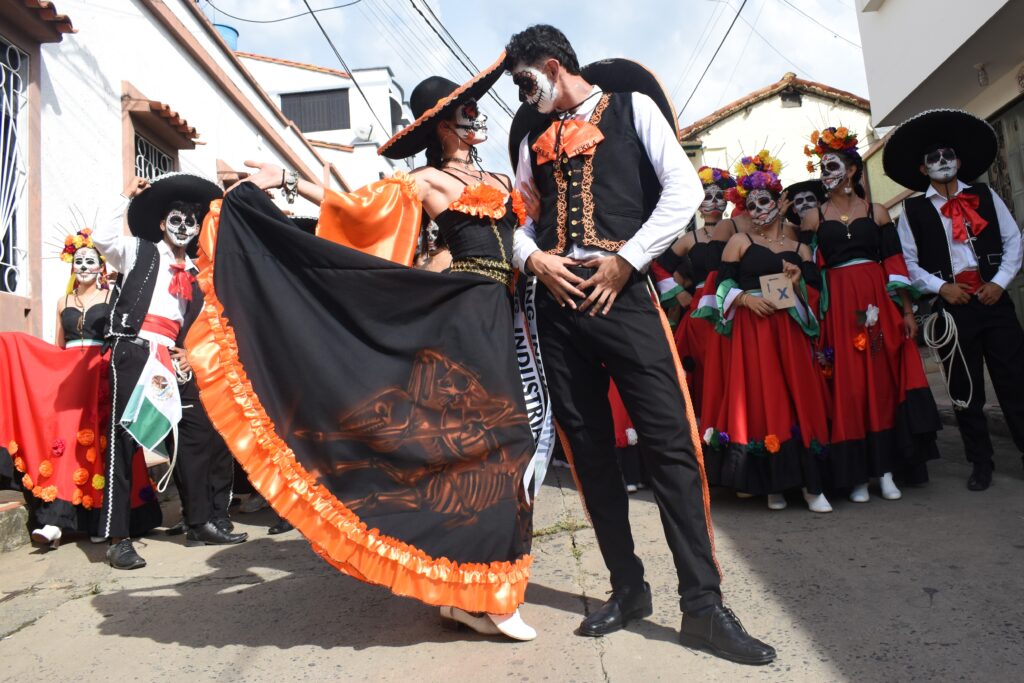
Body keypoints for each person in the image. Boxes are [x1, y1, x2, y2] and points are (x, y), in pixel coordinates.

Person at [187, 60, 539, 641]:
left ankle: (470, 593)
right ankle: (487, 596)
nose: (477, 118)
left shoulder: (504, 181)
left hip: (506, 317)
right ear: (442, 126)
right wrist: (287, 181)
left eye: (476, 109)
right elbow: (354, 211)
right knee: (490, 443)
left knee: (509, 443)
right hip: (463, 317)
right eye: (465, 111)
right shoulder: (424, 183)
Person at [505, 25, 775, 665]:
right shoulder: (528, 133)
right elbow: (516, 216)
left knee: (670, 446)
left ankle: (702, 608)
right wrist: (535, 259)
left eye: (524, 79)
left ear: (551, 65)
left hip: (623, 296)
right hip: (558, 303)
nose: (520, 94)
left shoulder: (631, 107)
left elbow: (682, 193)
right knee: (590, 455)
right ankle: (628, 589)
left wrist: (626, 262)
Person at [886, 109, 1024, 491]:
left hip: (994, 301)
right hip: (953, 309)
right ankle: (980, 462)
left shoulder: (984, 194)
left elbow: (1014, 240)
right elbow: (908, 263)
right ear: (923, 168)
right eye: (934, 158)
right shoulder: (912, 210)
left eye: (948, 156)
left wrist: (999, 282)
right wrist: (940, 287)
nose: (943, 162)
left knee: (1015, 380)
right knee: (965, 389)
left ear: (959, 161)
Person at [800, 127, 940, 500]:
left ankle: (886, 469)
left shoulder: (876, 211)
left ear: (851, 171)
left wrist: (907, 311)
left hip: (874, 305)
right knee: (847, 386)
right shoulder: (813, 217)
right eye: (822, 166)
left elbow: (894, 264)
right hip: (839, 308)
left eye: (833, 165)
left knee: (878, 379)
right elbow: (807, 270)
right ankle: (857, 475)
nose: (826, 172)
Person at [92, 173, 224, 568]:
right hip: (135, 350)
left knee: (197, 430)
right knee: (125, 442)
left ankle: (198, 521)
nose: (184, 227)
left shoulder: (199, 274)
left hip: (174, 357)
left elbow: (203, 321)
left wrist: (190, 350)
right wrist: (123, 196)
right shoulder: (140, 251)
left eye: (191, 221)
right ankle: (118, 538)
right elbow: (101, 239)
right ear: (163, 223)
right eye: (176, 219)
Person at [0, 229, 161, 548]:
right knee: (65, 444)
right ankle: (54, 521)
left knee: (105, 445)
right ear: (71, 265)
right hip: (70, 376)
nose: (84, 266)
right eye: (78, 261)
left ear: (101, 266)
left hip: (101, 372)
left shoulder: (111, 295)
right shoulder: (63, 300)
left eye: (90, 261)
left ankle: (104, 519)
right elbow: (58, 345)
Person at [702, 152, 833, 513]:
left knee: (799, 397)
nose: (758, 209)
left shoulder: (800, 248)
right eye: (751, 204)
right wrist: (743, 300)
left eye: (765, 201)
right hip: (753, 332)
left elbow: (817, 295)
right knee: (764, 398)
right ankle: (772, 485)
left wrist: (798, 281)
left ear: (779, 203)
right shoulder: (739, 243)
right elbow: (720, 286)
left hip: (789, 329)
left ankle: (811, 486)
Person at [669, 167, 737, 413]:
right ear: (697, 204)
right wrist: (679, 292)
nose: (714, 201)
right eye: (707, 197)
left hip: (735, 304)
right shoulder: (690, 239)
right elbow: (658, 267)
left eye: (719, 196)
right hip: (699, 312)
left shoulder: (739, 230)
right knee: (704, 365)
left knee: (733, 364)